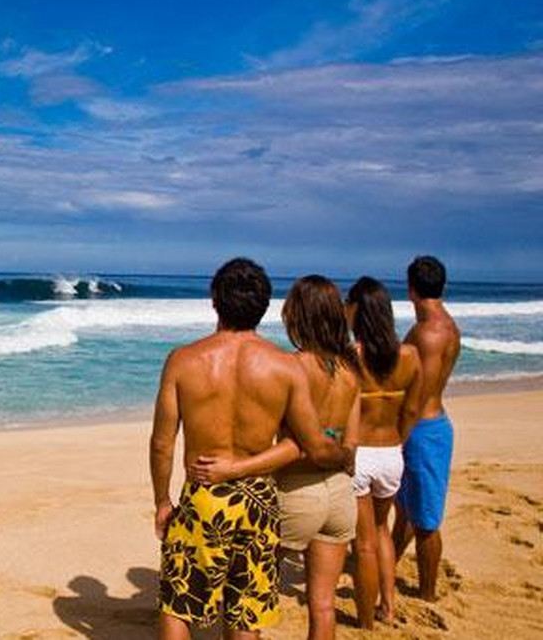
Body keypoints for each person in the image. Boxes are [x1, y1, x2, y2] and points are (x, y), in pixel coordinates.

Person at [150, 259, 350, 640]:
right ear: (264, 306)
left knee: (179, 604)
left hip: (204, 496)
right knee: (245, 612)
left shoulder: (183, 360)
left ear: (214, 301)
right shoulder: (284, 368)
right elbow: (305, 444)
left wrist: (162, 500)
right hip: (258, 500)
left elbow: (163, 442)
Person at [345, 277, 422, 628]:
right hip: (392, 451)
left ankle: (365, 623)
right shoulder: (409, 357)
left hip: (360, 454)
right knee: (382, 530)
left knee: (362, 544)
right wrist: (399, 442)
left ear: (358, 311)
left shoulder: (349, 357)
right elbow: (411, 412)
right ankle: (388, 606)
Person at [393, 256, 460, 602]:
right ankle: (388, 564)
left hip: (423, 430)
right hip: (431, 425)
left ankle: (428, 594)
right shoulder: (447, 325)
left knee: (425, 522)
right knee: (406, 507)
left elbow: (417, 395)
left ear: (411, 289)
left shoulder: (427, 333)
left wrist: (397, 436)